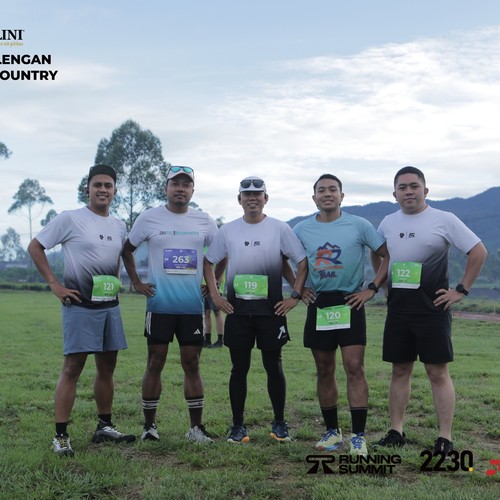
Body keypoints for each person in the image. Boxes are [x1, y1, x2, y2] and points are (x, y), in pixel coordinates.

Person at [373, 166, 487, 455]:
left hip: (433, 309)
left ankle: (444, 438)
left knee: (437, 373)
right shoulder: (387, 222)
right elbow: (378, 254)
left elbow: (478, 251)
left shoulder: (444, 219)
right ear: (394, 193)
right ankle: (396, 431)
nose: (408, 191)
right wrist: (382, 283)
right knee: (400, 370)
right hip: (398, 310)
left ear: (425, 190)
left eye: (414, 186)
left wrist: (461, 290)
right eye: (402, 187)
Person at [27, 164, 135, 456]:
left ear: (115, 191)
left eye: (108, 185)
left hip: (109, 307)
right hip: (79, 306)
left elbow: (118, 259)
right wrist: (55, 284)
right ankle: (60, 436)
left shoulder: (119, 225)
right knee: (73, 368)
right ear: (87, 189)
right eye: (97, 184)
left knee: (107, 367)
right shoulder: (70, 219)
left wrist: (121, 283)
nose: (103, 189)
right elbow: (35, 246)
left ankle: (104, 426)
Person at [203, 176, 308, 443]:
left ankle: (280, 423)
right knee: (239, 369)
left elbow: (302, 261)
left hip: (271, 312)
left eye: (257, 194)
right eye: (247, 194)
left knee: (274, 366)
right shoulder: (228, 230)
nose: (252, 198)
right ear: (239, 200)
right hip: (237, 312)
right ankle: (238, 426)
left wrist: (295, 296)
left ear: (265, 198)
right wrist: (215, 294)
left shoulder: (279, 228)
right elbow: (208, 261)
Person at [293, 173, 389, 457]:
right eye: (321, 190)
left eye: (333, 189)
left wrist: (372, 288)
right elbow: (286, 259)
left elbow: (387, 255)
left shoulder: (359, 225)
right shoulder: (301, 229)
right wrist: (299, 289)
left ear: (342, 196)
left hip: (351, 301)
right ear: (314, 198)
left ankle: (358, 437)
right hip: (320, 303)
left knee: (354, 367)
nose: (327, 194)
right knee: (324, 368)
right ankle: (332, 432)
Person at [121, 166, 218, 444]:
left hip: (191, 308)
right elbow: (127, 249)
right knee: (155, 362)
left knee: (192, 363)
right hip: (160, 306)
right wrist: (136, 282)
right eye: (175, 183)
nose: (180, 188)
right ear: (165, 188)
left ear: (192, 191)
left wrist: (213, 284)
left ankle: (196, 428)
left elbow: (220, 253)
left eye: (186, 184)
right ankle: (149, 427)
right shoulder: (149, 217)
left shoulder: (204, 220)